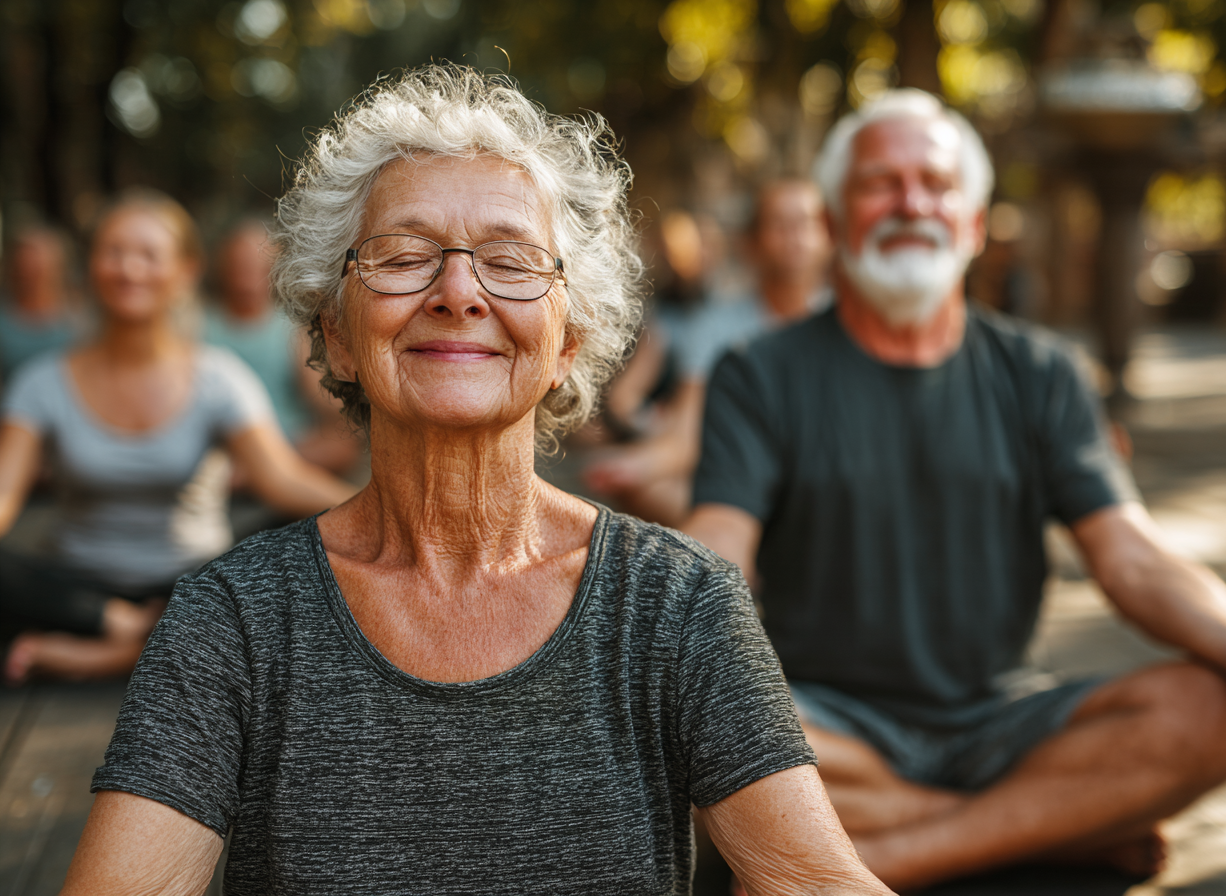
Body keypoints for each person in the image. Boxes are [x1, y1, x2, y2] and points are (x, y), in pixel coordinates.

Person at [62, 66, 892, 896]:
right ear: (338, 335)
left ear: (567, 341)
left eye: (511, 259)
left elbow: (817, 882)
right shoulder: (233, 620)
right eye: (403, 255)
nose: (458, 292)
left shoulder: (677, 601)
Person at [683, 88, 1226, 891]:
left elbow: (1131, 557)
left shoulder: (1043, 373)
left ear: (974, 225)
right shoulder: (759, 372)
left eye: (937, 185)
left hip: (1006, 724)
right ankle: (1052, 827)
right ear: (835, 223)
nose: (912, 203)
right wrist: (657, 651)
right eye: (881, 183)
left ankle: (882, 858)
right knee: (682, 732)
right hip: (823, 723)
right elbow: (716, 550)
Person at [0, 190, 355, 684]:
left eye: (147, 254)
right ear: (91, 267)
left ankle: (111, 652)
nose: (129, 269)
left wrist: (381, 511)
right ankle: (132, 630)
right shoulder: (41, 383)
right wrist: (102, 610)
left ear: (185, 269)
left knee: (294, 540)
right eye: (113, 252)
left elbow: (284, 481)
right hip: (74, 587)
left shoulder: (218, 378)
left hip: (193, 578)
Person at [584, 181, 832, 525]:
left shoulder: (856, 322)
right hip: (743, 488)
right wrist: (640, 464)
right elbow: (687, 428)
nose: (794, 236)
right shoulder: (713, 325)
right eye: (779, 224)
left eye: (806, 223)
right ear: (751, 243)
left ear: (831, 236)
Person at [206, 220, 363, 475]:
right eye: (240, 264)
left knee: (342, 446)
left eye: (255, 265)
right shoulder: (202, 326)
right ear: (225, 266)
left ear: (272, 269)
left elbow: (320, 394)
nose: (247, 274)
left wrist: (353, 396)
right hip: (224, 443)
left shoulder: (291, 328)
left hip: (287, 442)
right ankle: (261, 473)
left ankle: (254, 473)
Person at [0, 225, 81, 382]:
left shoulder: (79, 318)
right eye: (24, 262)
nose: (29, 269)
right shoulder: (4, 319)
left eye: (38, 264)